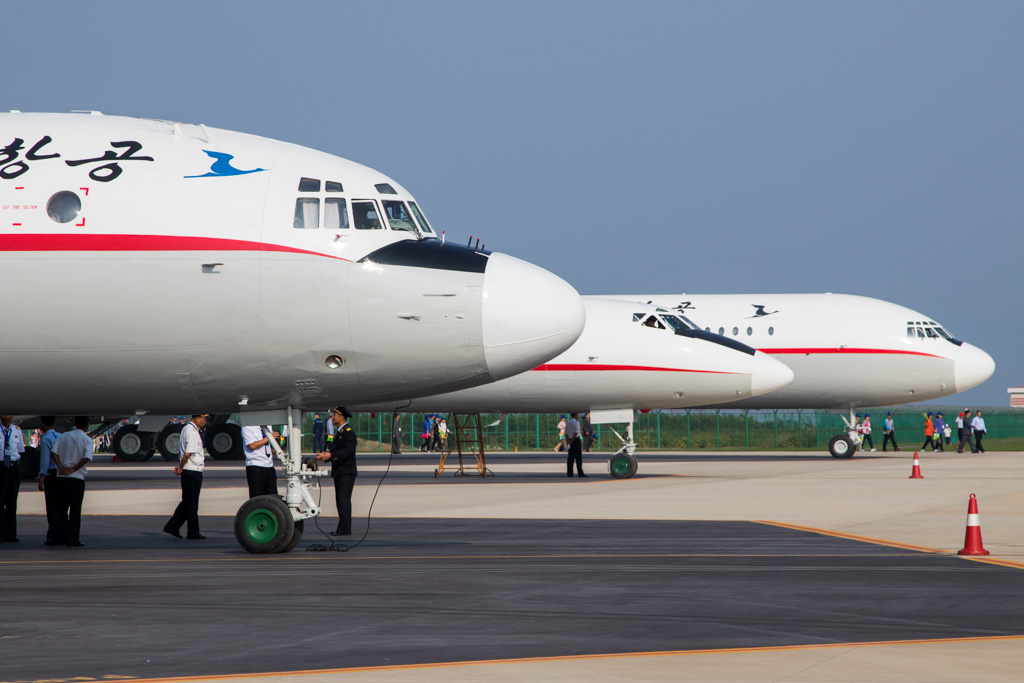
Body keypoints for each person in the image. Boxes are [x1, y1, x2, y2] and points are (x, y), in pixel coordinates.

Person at [164, 414, 210, 540]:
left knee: (187, 501)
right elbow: (187, 453)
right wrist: (180, 467)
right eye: (204, 419)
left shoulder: (186, 428)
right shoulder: (193, 432)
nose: (205, 422)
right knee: (192, 503)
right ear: (197, 418)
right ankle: (193, 531)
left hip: (189, 470)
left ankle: (172, 526)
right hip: (193, 470)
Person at [51, 416, 94, 547]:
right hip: (76, 478)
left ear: (75, 424)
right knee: (75, 511)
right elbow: (87, 457)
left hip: (61, 477)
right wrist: (74, 468)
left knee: (60, 510)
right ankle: (73, 539)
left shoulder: (64, 436)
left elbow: (54, 451)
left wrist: (60, 466)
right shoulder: (87, 439)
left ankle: (59, 537)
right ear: (87, 425)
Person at [316, 407, 357, 536]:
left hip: (346, 472)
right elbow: (337, 451)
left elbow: (347, 451)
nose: (333, 417)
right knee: (340, 500)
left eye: (335, 414)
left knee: (343, 500)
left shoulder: (348, 432)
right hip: (340, 471)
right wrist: (326, 456)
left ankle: (345, 529)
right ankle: (342, 527)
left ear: (342, 416)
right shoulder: (340, 432)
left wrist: (331, 456)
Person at [0, 415, 25, 542]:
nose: (5, 417)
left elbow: (20, 449)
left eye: (8, 415)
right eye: (3, 414)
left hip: (13, 466)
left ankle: (11, 534)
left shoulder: (17, 430)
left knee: (12, 502)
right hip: (1, 466)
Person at [36, 416, 61, 546]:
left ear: (43, 424)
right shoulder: (61, 436)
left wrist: (42, 479)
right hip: (62, 475)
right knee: (61, 507)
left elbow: (45, 460)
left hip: (51, 476)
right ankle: (62, 534)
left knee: (51, 507)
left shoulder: (46, 439)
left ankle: (52, 535)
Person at [242, 424, 279, 498]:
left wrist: (271, 450)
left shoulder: (268, 426)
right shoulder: (247, 427)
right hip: (256, 466)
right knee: (257, 497)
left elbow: (265, 443)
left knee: (273, 497)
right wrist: (270, 437)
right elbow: (252, 445)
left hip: (269, 465)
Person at [565, 412, 585, 477]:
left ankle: (570, 473)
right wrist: (572, 441)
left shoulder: (568, 423)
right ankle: (580, 473)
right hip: (575, 441)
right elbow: (576, 433)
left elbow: (566, 433)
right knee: (578, 458)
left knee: (570, 458)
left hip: (569, 440)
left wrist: (568, 441)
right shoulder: (576, 423)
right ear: (575, 415)